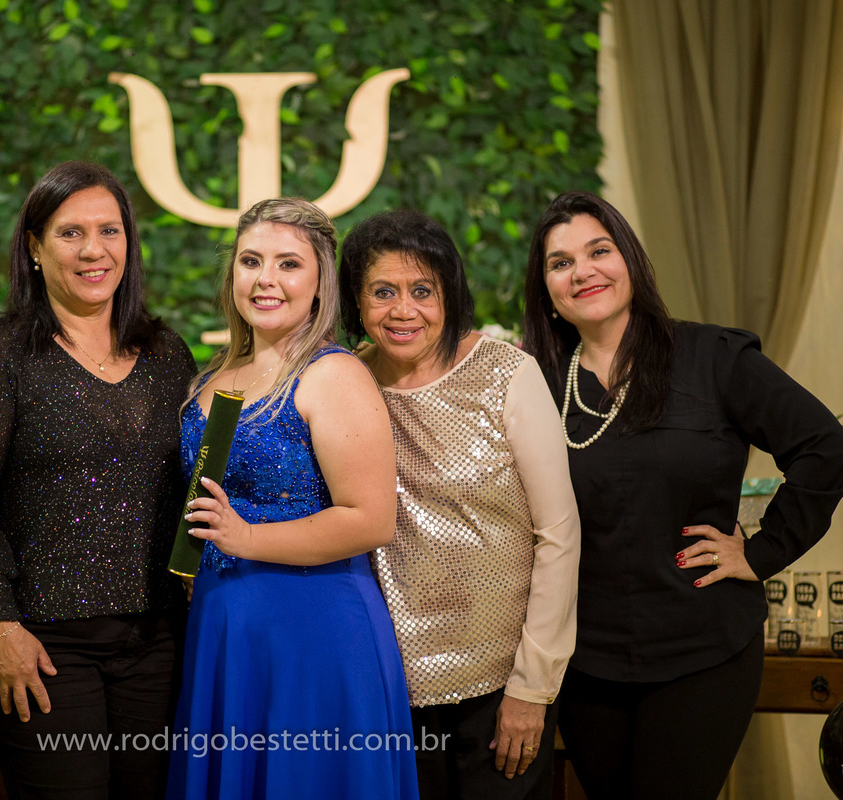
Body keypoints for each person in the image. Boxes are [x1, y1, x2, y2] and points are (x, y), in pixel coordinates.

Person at [521, 191, 843, 799]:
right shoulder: (532, 380)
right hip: (584, 661)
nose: (583, 270)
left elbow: (826, 447)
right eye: (560, 263)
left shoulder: (714, 358)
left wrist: (762, 551)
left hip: (702, 651)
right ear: (547, 291)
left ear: (631, 262)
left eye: (599, 250)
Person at [0, 161, 195, 799]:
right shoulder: (2, 352)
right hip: (41, 645)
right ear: (34, 245)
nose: (93, 250)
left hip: (156, 642)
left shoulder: (167, 354)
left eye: (109, 230)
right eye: (70, 232)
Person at [168, 198, 418, 799]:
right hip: (223, 630)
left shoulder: (332, 374)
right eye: (251, 261)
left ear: (319, 283)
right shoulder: (215, 378)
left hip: (311, 632)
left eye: (288, 264)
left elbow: (371, 519)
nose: (266, 279)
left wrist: (248, 538)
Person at [337, 208, 581, 798]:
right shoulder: (345, 382)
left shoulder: (507, 373)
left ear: (451, 293)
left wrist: (532, 686)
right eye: (382, 292)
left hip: (500, 688)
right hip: (385, 689)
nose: (403, 310)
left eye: (424, 291)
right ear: (356, 301)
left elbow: (560, 534)